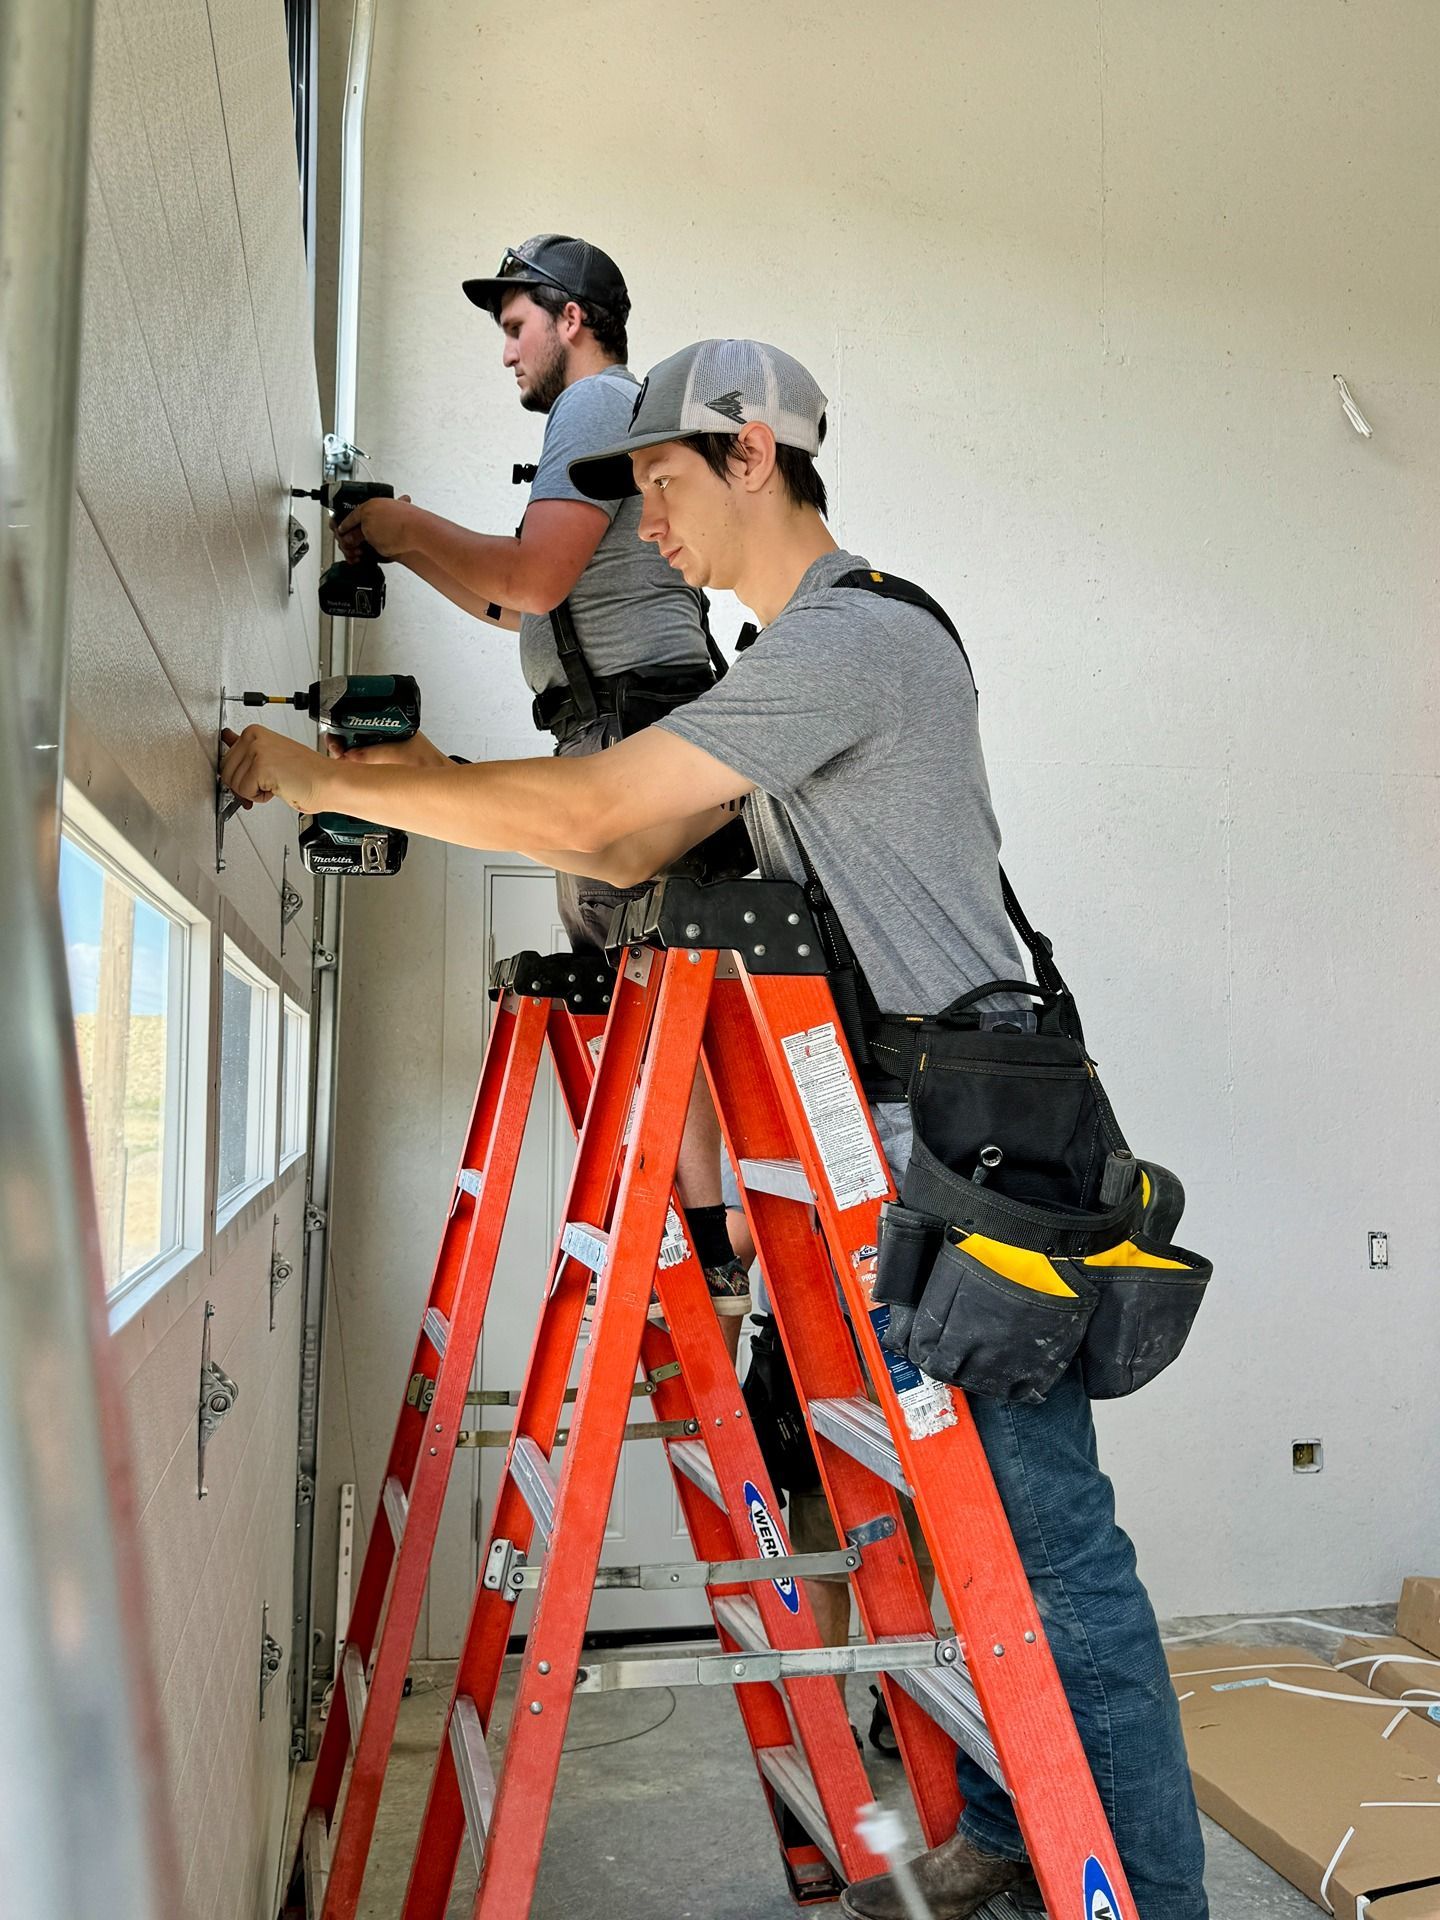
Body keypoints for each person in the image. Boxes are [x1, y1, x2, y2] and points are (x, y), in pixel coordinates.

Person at [221, 337, 1208, 1920]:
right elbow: (628, 808)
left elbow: (605, 815)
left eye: (666, 485)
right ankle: (1030, 1849)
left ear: (756, 453)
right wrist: (427, 772)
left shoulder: (856, 639)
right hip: (893, 1134)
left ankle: (1149, 1900)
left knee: (1051, 1555)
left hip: (960, 1138)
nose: (647, 527)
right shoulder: (784, 658)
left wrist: (320, 773)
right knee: (964, 1550)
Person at [328, 235, 748, 1328]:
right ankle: (713, 1260)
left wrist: (405, 527)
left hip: (642, 725)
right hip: (621, 727)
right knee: (655, 1001)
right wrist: (401, 540)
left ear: (573, 319)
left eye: (516, 327)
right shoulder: (597, 417)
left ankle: (715, 1254)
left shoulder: (598, 402)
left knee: (657, 1003)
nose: (506, 353)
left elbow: (529, 577)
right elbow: (513, 605)